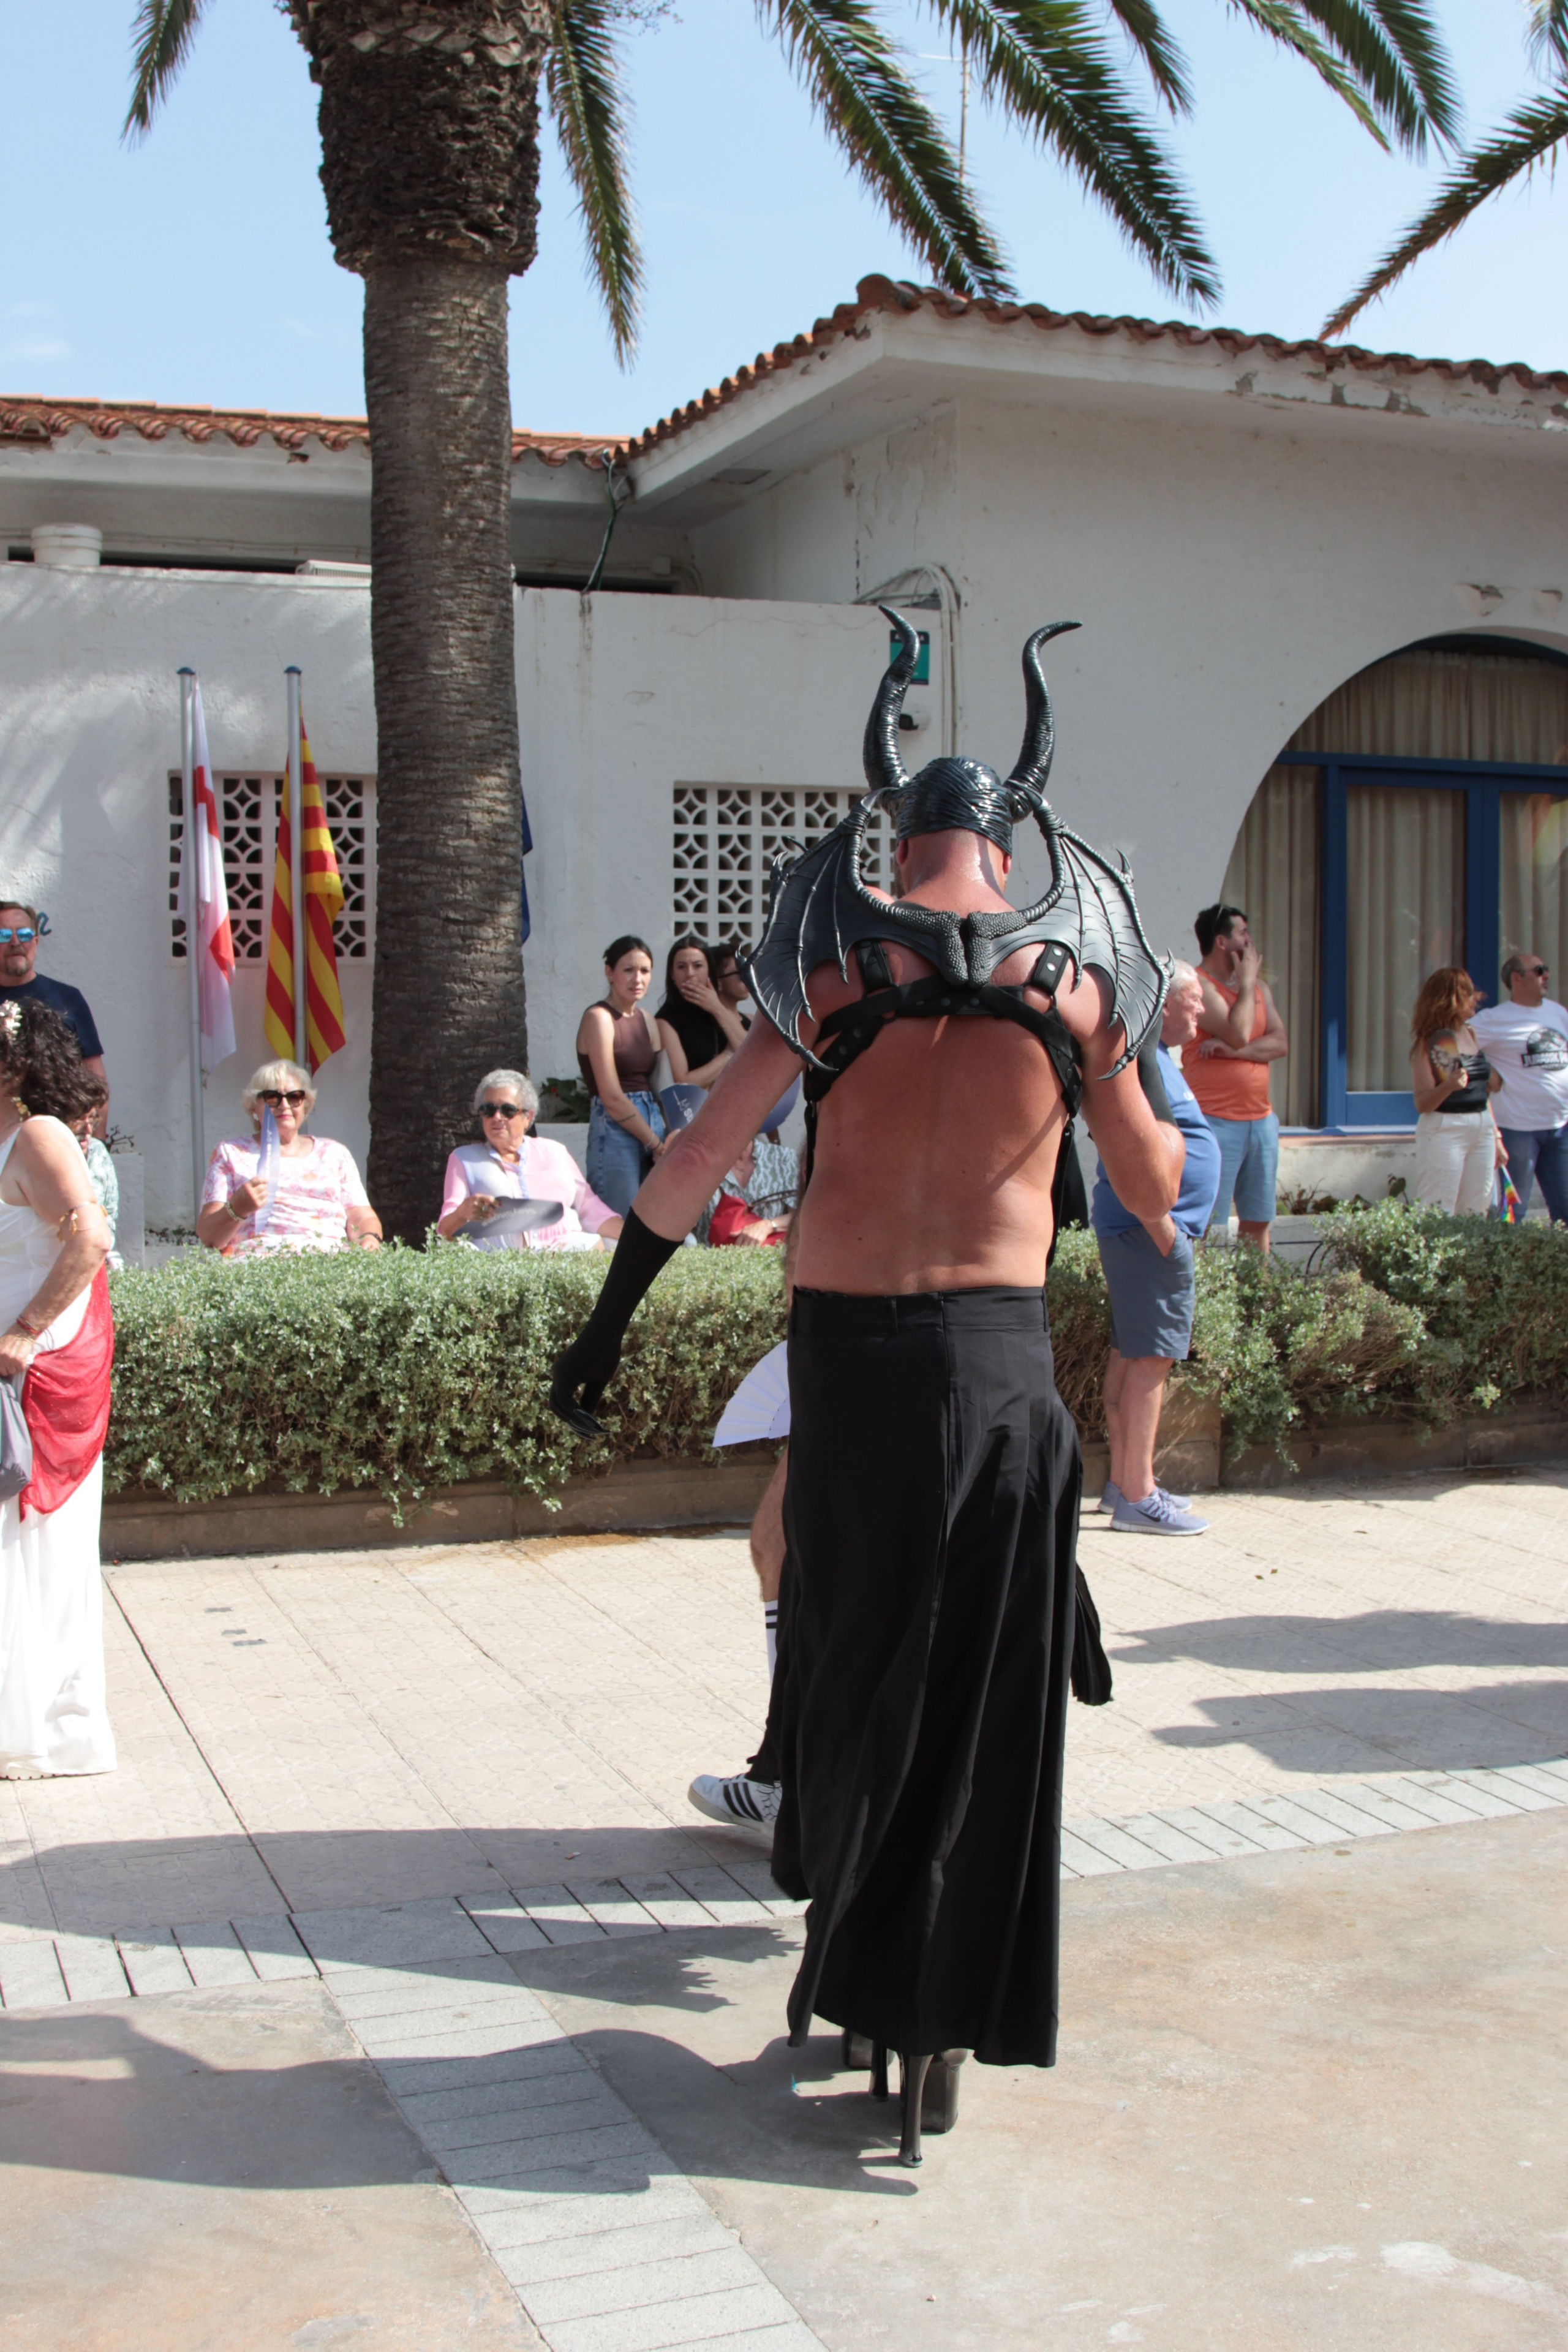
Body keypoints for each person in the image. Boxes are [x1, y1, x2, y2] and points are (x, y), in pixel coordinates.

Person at [551, 612, 1181, 2165]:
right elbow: (1157, 1192)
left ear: (895, 837)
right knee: (980, 1690)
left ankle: (839, 1937)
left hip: (848, 1361)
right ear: (1007, 836)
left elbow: (692, 1163)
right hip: (998, 1361)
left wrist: (603, 1330)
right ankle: (943, 1987)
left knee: (841, 1654)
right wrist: (1098, 1092)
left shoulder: (833, 973)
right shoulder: (1074, 982)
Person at [0, 998, 116, 1779]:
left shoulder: (37, 1134)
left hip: (32, 1377)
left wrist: (24, 1333)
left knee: (29, 1546)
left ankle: (39, 1728)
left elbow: (92, 1237)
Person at [1093, 959, 1221, 1536]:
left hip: (1144, 1230)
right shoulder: (1142, 1060)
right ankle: (1138, 1497)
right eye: (1193, 998)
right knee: (1151, 1361)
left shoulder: (1154, 1059)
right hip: (1150, 1232)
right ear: (1163, 1003)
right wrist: (1166, 1232)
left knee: (1131, 1355)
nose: (1201, 1009)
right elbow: (1129, 1147)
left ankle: (1123, 1483)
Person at [197, 1061, 382, 1257]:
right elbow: (209, 1236)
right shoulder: (230, 1153)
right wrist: (237, 1208)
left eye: (294, 1097)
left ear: (305, 1105)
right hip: (258, 1265)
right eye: (272, 1097)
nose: (284, 1105)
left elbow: (361, 1217)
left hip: (330, 1264)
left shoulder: (335, 1154)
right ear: (254, 1106)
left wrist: (369, 1238)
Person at [1186, 903, 1288, 1253]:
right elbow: (1240, 1032)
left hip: (1260, 1121)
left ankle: (1252, 1301)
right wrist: (1245, 983)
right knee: (1208, 1221)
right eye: (1243, 933)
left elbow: (1280, 1043)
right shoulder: (1199, 986)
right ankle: (1211, 1301)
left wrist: (1234, 1053)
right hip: (1216, 1121)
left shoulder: (1259, 989)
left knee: (1258, 1219)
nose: (1251, 941)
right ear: (1222, 942)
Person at [435, 1071, 623, 1251]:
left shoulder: (554, 1151)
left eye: (507, 1110)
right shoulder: (464, 1159)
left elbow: (589, 1207)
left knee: (602, 1245)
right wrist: (463, 1213)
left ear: (528, 1117)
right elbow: (444, 1232)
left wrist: (636, 1239)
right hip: (500, 1262)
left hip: (563, 1252)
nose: (497, 1117)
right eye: (488, 1110)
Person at [1471, 952, 1568, 1223]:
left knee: (1566, 1210)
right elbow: (1453, 1046)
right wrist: (1486, 1073)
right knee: (1512, 1213)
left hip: (1560, 1126)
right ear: (1517, 978)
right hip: (1518, 1130)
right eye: (1539, 970)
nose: (1546, 975)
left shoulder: (1557, 1013)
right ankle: (1500, 1266)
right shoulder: (1495, 1019)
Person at [576, 937, 666, 1215]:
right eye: (628, 970)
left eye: (645, 971)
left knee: (656, 1218)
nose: (637, 978)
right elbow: (612, 1097)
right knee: (617, 1221)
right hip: (615, 1126)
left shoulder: (648, 1020)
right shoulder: (599, 1017)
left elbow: (662, 1085)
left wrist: (668, 1135)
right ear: (609, 972)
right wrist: (654, 1142)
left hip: (653, 1123)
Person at [1408, 968, 1504, 1216]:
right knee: (1438, 1209)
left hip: (1481, 1126)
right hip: (1445, 1127)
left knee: (1476, 1209)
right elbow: (1422, 1103)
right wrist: (1449, 1086)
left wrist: (1496, 1136)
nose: (1477, 998)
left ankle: (1467, 1256)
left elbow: (1483, 1091)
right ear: (1450, 1000)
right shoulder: (1430, 1041)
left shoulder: (1470, 1033)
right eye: (1468, 993)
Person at [0, 902, 108, 1119]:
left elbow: (94, 1078)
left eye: (24, 934)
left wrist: (97, 1143)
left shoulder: (68, 999)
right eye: (3, 935)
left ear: (36, 942)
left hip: (58, 1132)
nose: (15, 942)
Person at [656, 938, 748, 1088]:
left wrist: (717, 1008)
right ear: (672, 974)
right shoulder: (666, 1020)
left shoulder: (718, 1010)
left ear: (709, 971)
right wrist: (728, 1055)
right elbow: (682, 1082)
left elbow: (749, 1051)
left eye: (698, 966)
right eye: (681, 967)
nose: (690, 974)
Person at [706, 1133, 797, 1247]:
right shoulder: (702, 1163)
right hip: (710, 1259)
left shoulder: (782, 1158)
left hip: (769, 1256)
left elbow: (801, 1216)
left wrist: (769, 1226)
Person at [67, 1075, 121, 1268]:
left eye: (92, 1120)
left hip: (96, 1255)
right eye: (80, 1120)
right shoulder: (50, 1155)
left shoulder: (98, 1152)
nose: (88, 1129)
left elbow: (111, 1213)